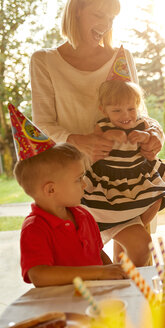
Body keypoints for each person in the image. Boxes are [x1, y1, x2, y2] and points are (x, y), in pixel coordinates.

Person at [30, 0, 165, 263]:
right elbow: (42, 125)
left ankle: (133, 302)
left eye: (112, 18)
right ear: (76, 11)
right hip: (75, 183)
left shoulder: (121, 57)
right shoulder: (44, 61)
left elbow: (140, 113)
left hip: (124, 179)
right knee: (87, 266)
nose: (106, 25)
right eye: (99, 15)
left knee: (138, 254)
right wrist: (79, 141)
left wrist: (156, 135)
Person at [9, 104, 126, 287]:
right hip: (63, 307)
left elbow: (99, 255)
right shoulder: (35, 228)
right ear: (51, 190)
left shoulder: (84, 215)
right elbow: (39, 275)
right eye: (79, 179)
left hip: (96, 300)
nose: (85, 184)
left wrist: (114, 276)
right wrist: (99, 272)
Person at [82, 79, 165, 267]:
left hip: (135, 176)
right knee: (105, 207)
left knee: (156, 195)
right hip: (110, 178)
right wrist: (110, 136)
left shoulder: (141, 123)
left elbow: (150, 136)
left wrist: (144, 136)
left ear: (137, 107)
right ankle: (116, 257)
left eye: (130, 109)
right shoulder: (103, 126)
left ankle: (129, 267)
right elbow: (96, 138)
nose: (125, 116)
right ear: (103, 110)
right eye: (117, 111)